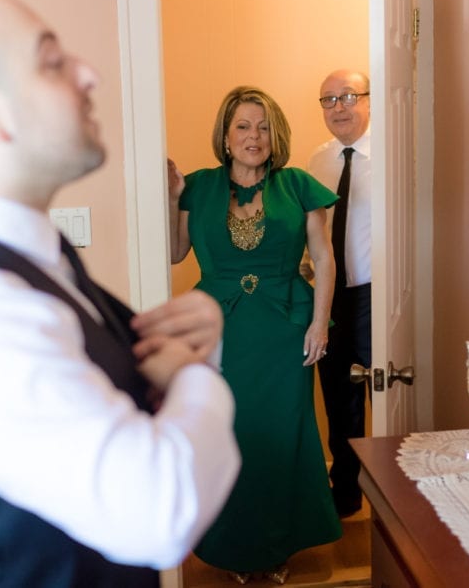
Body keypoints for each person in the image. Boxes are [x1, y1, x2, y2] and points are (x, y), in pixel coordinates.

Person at [0, 0, 240, 587]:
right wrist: (196, 377)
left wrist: (190, 344)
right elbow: (159, 512)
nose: (91, 73)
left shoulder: (28, 257)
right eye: (53, 62)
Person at [168, 85, 342, 584]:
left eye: (264, 127)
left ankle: (274, 548)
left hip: (285, 329)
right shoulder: (198, 187)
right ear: (225, 135)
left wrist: (319, 323)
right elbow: (177, 252)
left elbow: (325, 259)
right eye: (243, 126)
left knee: (283, 437)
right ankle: (232, 545)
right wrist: (170, 196)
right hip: (219, 332)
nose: (254, 136)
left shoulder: (299, 186)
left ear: (276, 135)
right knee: (229, 432)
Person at [306, 69, 373, 518]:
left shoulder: (393, 155)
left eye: (348, 96)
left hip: (379, 296)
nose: (339, 108)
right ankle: (345, 490)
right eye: (328, 100)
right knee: (338, 395)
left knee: (385, 392)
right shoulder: (318, 161)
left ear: (369, 100)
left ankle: (393, 492)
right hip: (331, 296)